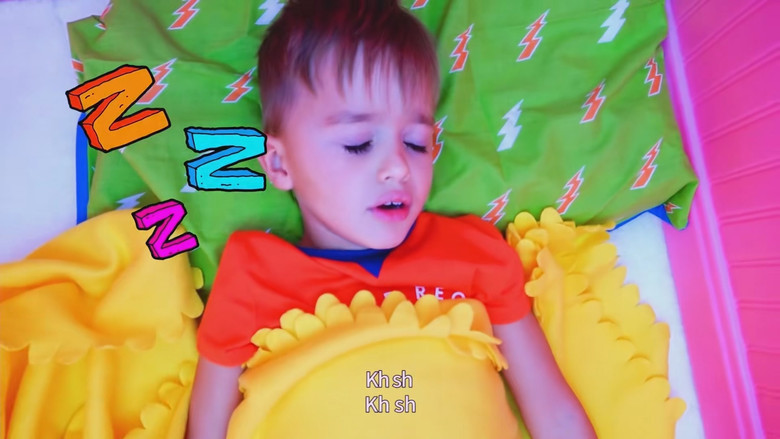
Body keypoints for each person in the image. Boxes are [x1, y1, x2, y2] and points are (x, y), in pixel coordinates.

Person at [187, 1, 596, 438]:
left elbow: (553, 413)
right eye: (359, 143)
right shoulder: (253, 275)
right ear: (280, 164)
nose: (399, 167)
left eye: (417, 143)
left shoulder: (475, 254)